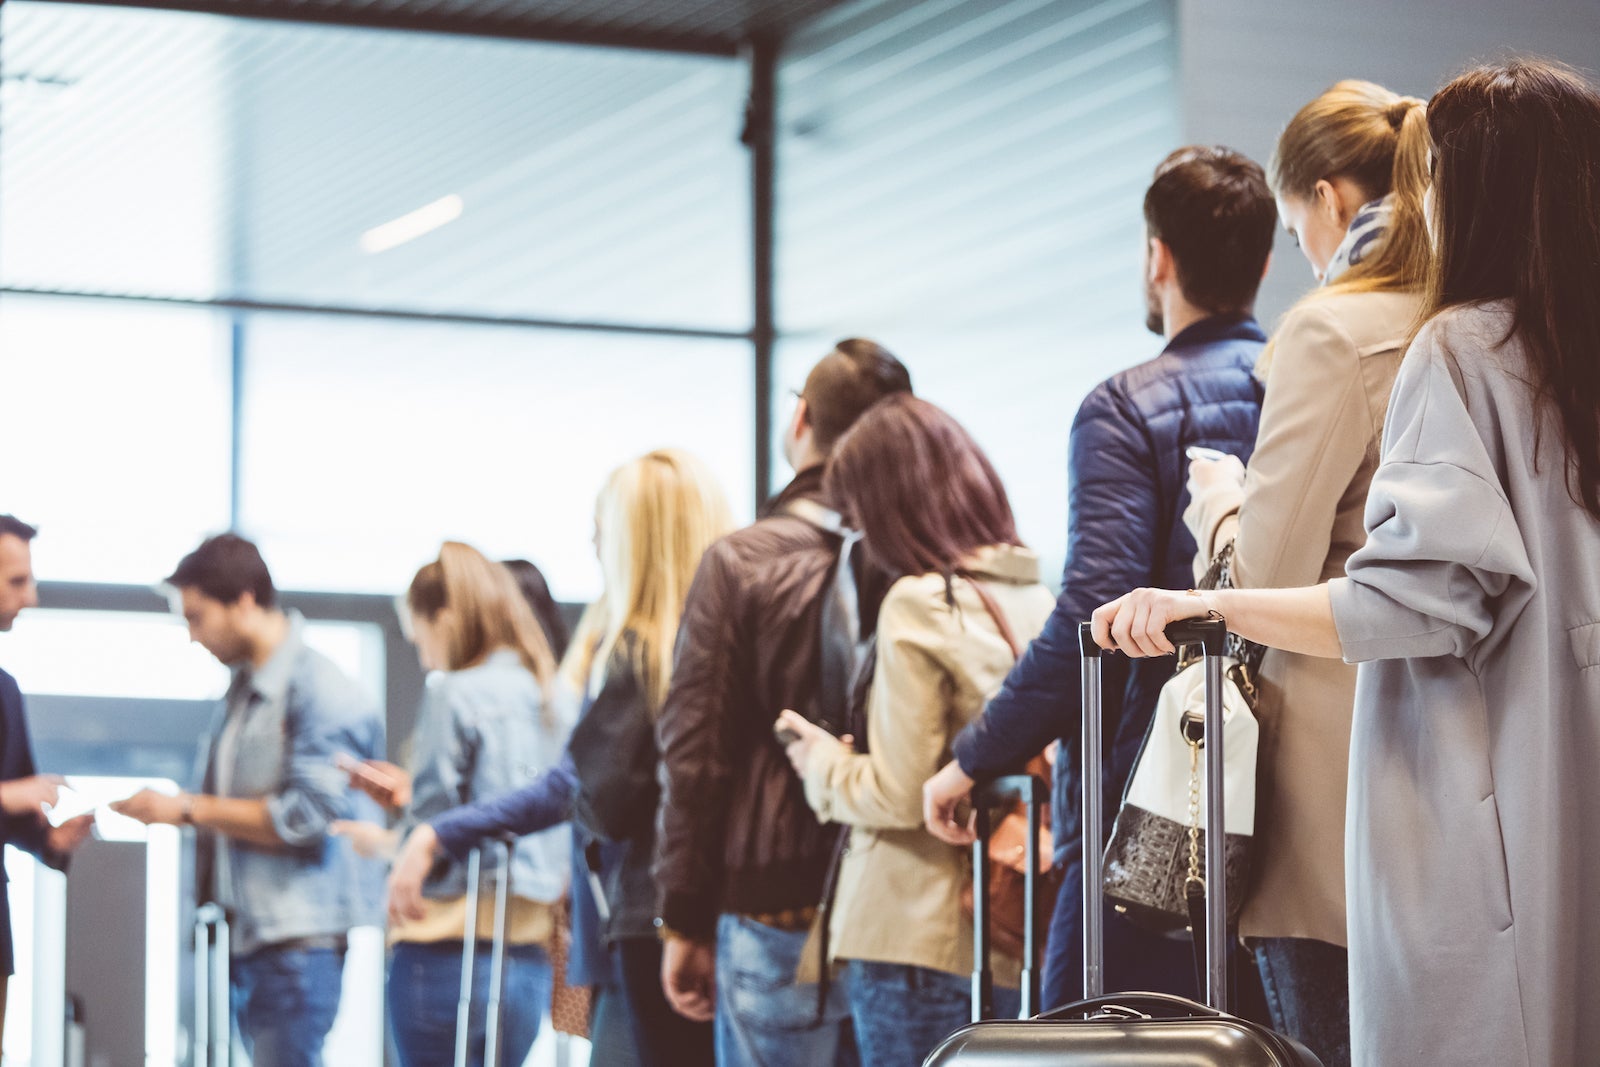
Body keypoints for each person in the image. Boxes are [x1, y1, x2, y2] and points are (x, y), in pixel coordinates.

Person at [1091, 58, 1600, 1066]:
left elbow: (1415, 595)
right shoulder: (1567, 348)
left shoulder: (1457, 349)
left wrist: (1207, 581)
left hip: (1462, 781)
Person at [921, 146, 1276, 1009]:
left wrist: (970, 758)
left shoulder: (1125, 407)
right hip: (1282, 790)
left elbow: (1094, 611)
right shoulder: (1300, 389)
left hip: (1149, 802)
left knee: (1097, 1035)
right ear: (1266, 262)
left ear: (1157, 257)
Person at [1181, 80, 1431, 1066]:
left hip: (1328, 753)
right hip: (1444, 748)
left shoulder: (1333, 330)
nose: (1306, 251)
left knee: (1317, 1037)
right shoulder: (1479, 314)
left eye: (1296, 229)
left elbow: (1263, 571)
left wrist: (1219, 506)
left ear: (1327, 198)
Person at [389, 449, 732, 1066]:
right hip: (679, 929)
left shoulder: (643, 657)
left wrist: (438, 832)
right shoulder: (705, 653)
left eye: (604, 528)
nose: (593, 542)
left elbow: (578, 789)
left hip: (651, 928)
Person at [653, 340, 911, 1066]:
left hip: (773, 898)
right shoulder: (924, 559)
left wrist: (684, 913)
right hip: (900, 894)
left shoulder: (740, 561)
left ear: (801, 417)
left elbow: (696, 754)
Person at [778, 395, 1055, 1066]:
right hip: (1001, 922)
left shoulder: (921, 601)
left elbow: (905, 793)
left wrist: (821, 763)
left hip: (911, 924)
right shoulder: (1034, 595)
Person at [112, 534, 385, 1067]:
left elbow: (307, 817)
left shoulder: (320, 688)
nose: (193, 637)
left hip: (297, 946)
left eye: (197, 617)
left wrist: (185, 808)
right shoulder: (245, 691)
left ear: (243, 600)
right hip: (254, 940)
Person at [334, 542, 570, 1067]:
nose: (423, 656)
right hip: (526, 958)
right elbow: (524, 806)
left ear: (444, 618)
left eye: (420, 638)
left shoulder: (454, 693)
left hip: (444, 952)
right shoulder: (559, 695)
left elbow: (437, 829)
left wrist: (397, 839)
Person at [0, 515, 96, 1048]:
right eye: (17, 581)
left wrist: (49, 842)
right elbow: (10, 794)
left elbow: (14, 814)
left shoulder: (6, 690)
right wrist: (9, 794)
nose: (31, 598)